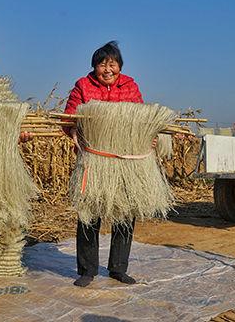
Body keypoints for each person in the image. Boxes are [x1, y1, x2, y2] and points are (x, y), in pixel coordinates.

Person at [64, 41, 144, 287]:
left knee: (124, 213)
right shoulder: (83, 86)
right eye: (102, 64)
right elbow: (69, 117)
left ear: (119, 66)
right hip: (94, 160)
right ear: (94, 66)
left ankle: (118, 268)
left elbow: (141, 118)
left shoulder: (130, 86)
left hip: (124, 162)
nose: (108, 69)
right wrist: (75, 129)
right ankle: (87, 270)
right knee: (89, 214)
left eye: (113, 64)